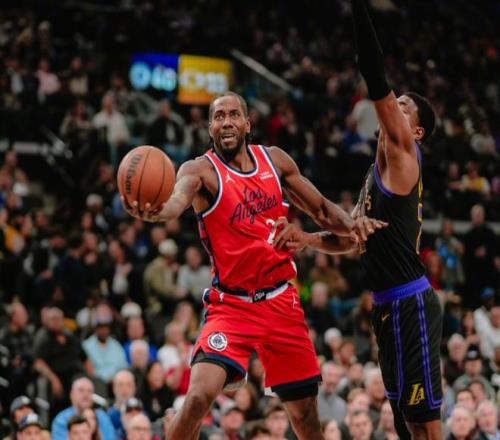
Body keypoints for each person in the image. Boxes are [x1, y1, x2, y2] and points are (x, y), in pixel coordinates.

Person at [122, 91, 385, 440]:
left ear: (247, 124)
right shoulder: (200, 171)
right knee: (198, 397)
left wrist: (354, 226)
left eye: (233, 114)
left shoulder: (274, 161)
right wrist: (157, 211)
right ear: (210, 127)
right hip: (232, 306)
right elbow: (176, 200)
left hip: (280, 302)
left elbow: (322, 210)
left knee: (306, 417)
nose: (226, 122)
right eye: (218, 116)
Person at [272, 0, 442, 437]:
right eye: (395, 103)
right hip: (384, 306)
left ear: (416, 131)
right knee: (404, 423)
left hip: (410, 302)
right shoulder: (374, 175)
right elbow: (350, 238)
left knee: (425, 425)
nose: (393, 107)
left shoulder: (404, 154)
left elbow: (373, 71)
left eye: (403, 107)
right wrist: (307, 239)